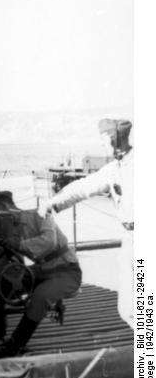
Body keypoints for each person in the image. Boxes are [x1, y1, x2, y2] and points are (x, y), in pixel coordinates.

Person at [40, 118, 134, 329]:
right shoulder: (115, 168)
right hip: (131, 238)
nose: (102, 146)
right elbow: (83, 187)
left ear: (113, 139)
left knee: (143, 305)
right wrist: (52, 204)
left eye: (104, 140)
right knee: (129, 308)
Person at [0, 190, 82, 356]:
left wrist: (19, 244)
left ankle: (14, 346)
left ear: (6, 207)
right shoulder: (10, 229)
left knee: (40, 297)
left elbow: (49, 242)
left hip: (67, 272)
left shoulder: (40, 214)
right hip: (42, 270)